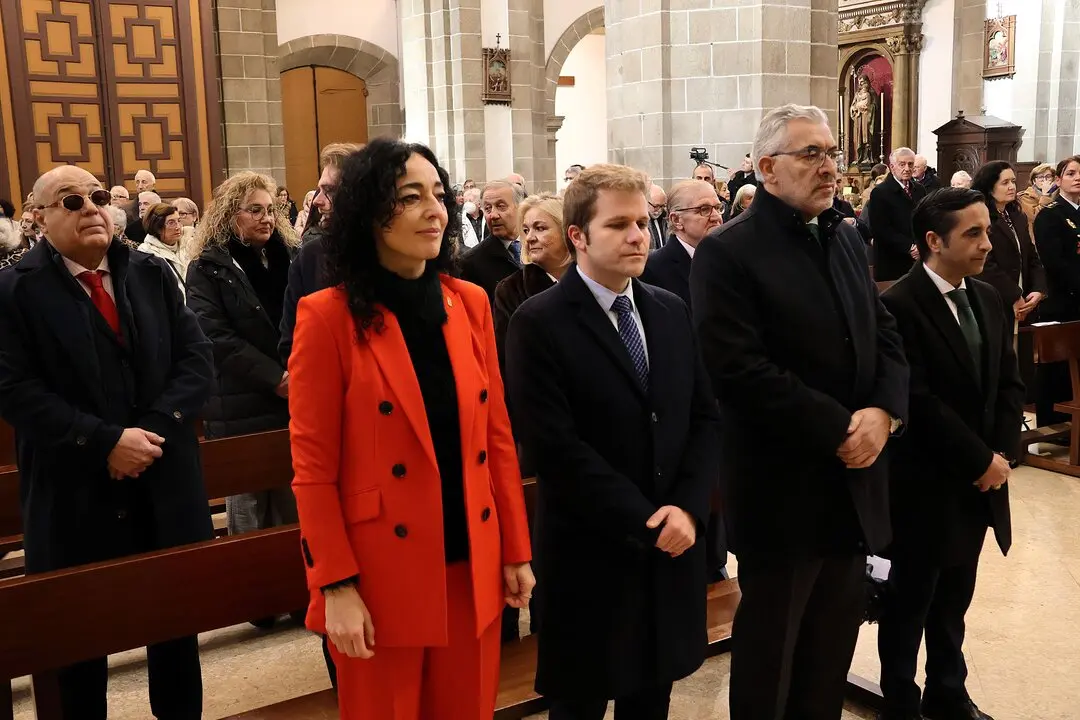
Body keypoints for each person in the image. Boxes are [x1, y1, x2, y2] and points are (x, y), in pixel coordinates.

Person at [287, 138, 534, 720]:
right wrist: (335, 585)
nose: (434, 211)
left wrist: (515, 550)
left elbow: (496, 438)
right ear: (370, 213)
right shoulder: (326, 316)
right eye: (409, 197)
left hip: (469, 557)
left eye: (439, 195)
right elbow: (313, 471)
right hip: (379, 571)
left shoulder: (468, 302)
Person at [690, 104, 909, 720]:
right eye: (811, 154)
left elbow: (885, 331)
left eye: (832, 152)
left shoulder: (843, 235)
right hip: (781, 488)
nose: (830, 166)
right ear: (767, 168)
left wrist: (885, 412)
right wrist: (841, 427)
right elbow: (738, 368)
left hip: (853, 483)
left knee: (830, 651)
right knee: (772, 656)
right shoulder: (728, 252)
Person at [505, 164, 719, 720]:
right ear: (578, 235)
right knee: (578, 703)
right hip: (591, 552)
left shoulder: (668, 309)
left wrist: (688, 509)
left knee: (650, 700)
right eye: (619, 225)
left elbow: (702, 417)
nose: (637, 236)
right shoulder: (539, 322)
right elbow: (554, 446)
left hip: (669, 546)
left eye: (643, 223)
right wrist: (648, 519)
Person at [0, 165, 213, 719]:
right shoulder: (13, 290)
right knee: (78, 648)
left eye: (96, 196)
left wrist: (150, 433)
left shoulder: (150, 272)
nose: (92, 207)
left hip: (163, 482)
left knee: (174, 633)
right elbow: (13, 389)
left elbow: (196, 361)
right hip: (73, 492)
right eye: (71, 201)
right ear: (38, 216)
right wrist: (105, 442)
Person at [878, 187, 1023, 720]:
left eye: (987, 230)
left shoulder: (985, 296)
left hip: (980, 479)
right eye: (974, 233)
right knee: (910, 602)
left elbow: (1008, 383)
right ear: (934, 241)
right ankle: (900, 700)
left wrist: (1000, 455)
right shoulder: (899, 304)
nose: (987, 243)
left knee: (956, 597)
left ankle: (947, 691)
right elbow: (918, 400)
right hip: (926, 481)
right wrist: (979, 460)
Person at [186, 172, 299, 565]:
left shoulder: (290, 255)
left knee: (292, 505)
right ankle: (252, 587)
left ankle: (294, 585)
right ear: (230, 215)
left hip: (292, 400)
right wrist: (276, 378)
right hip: (240, 403)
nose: (266, 218)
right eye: (254, 210)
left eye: (270, 210)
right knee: (248, 512)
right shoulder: (209, 266)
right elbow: (214, 335)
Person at [279, 142, 364, 363]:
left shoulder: (398, 257)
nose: (317, 200)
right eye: (320, 190)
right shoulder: (310, 257)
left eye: (330, 191)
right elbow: (291, 342)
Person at [494, 193, 570, 369]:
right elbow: (508, 359)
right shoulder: (511, 290)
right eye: (526, 230)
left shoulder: (594, 280)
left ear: (566, 230)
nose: (529, 238)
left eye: (540, 228)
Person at [1033, 155, 1080, 428]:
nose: (1077, 177)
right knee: (1058, 368)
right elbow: (1054, 262)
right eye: (1071, 173)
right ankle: (1055, 425)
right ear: (1058, 180)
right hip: (1063, 300)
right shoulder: (1051, 215)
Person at [970, 161, 1046, 327]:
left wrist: (1038, 289)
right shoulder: (980, 218)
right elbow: (985, 263)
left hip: (1025, 299)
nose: (1012, 186)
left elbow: (1032, 256)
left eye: (1013, 181)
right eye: (1005, 183)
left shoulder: (1017, 216)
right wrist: (1013, 295)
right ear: (989, 187)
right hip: (995, 300)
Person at [642, 180, 721, 308]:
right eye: (704, 209)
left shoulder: (728, 259)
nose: (716, 217)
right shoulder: (652, 269)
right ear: (677, 220)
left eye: (717, 208)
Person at [868, 147, 927, 281]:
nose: (907, 168)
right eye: (902, 164)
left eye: (910, 164)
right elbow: (880, 229)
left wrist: (921, 245)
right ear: (892, 167)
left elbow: (924, 219)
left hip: (917, 258)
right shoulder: (880, 192)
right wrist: (909, 247)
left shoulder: (919, 190)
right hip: (892, 262)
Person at [460, 180, 524, 303]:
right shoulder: (471, 262)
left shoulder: (538, 247)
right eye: (488, 208)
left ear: (520, 208)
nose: (493, 215)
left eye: (501, 206)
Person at [139, 203, 190, 298]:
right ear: (157, 227)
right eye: (171, 223)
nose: (178, 227)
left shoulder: (189, 244)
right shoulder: (147, 253)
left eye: (179, 221)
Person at [1016, 163, 1056, 236]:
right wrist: (1045, 196)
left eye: (1048, 176)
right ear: (1034, 181)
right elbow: (1034, 218)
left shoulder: (1057, 193)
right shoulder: (1026, 196)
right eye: (1040, 177)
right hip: (1038, 235)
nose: (1044, 180)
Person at [646, 184, 668, 249]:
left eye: (662, 206)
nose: (659, 210)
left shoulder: (667, 218)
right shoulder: (639, 222)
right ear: (646, 201)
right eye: (656, 206)